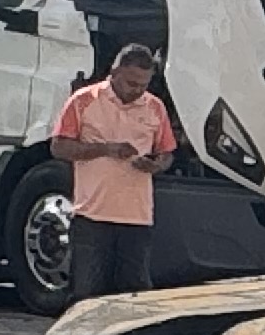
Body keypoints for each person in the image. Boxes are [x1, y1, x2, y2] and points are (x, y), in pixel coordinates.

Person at [48, 43, 178, 302]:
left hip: (138, 217)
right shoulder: (84, 101)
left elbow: (167, 152)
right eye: (131, 83)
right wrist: (106, 149)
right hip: (91, 214)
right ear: (115, 72)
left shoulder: (155, 107)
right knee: (86, 292)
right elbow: (59, 147)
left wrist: (156, 165)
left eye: (144, 85)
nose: (137, 90)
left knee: (135, 293)